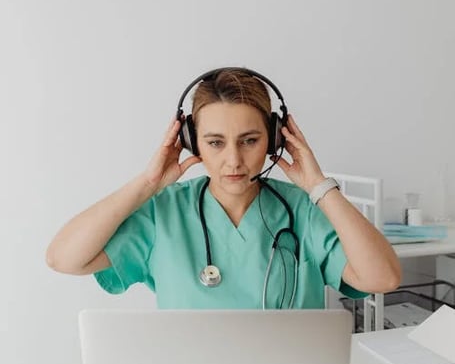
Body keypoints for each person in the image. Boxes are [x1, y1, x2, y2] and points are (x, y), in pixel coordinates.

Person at [46, 67, 401, 309]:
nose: (233, 160)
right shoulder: (162, 213)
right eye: (215, 143)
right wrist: (147, 184)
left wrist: (319, 186)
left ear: (275, 140)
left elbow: (382, 278)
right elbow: (63, 259)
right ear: (191, 142)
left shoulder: (304, 211)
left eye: (249, 140)